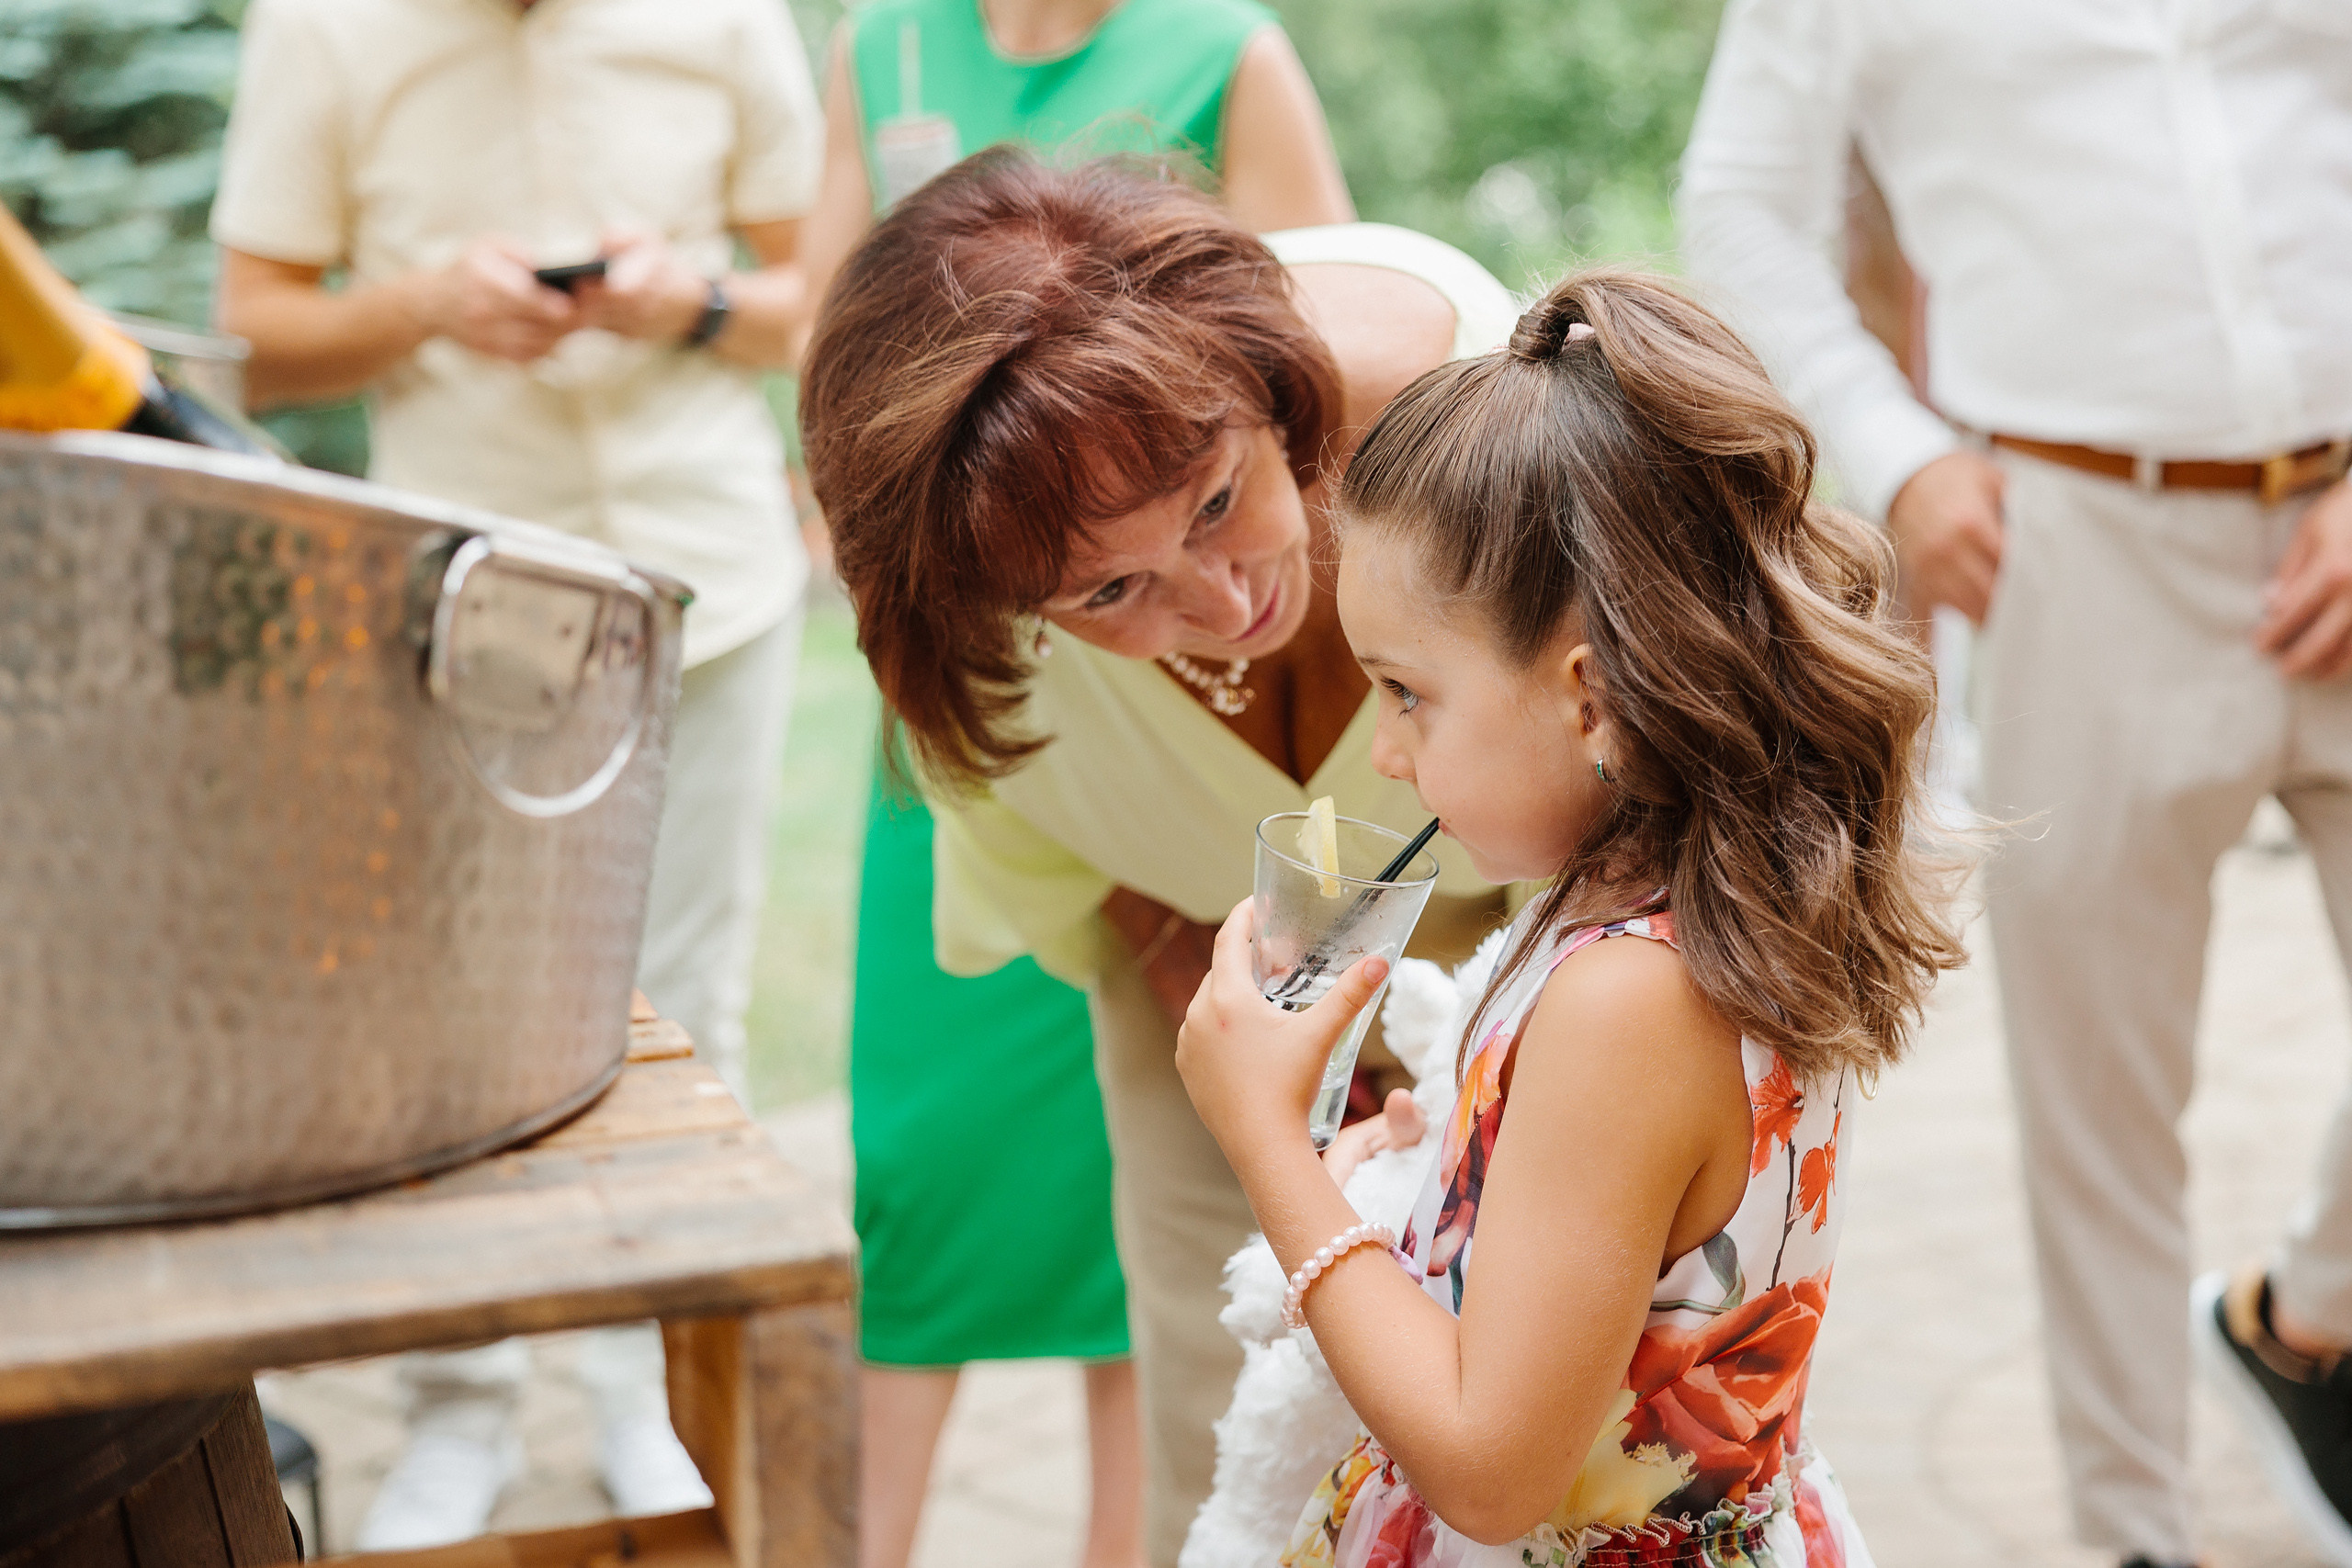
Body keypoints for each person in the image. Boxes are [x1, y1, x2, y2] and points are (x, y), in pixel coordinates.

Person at [1676, 6, 2352, 1563]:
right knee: (2103, 1108)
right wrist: (1894, 450)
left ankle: (2302, 1315)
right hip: (2076, 546)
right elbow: (1742, 199)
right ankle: (2138, 1536)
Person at [1174, 268, 1964, 1567]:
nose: (1382, 751)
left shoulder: (1630, 1000)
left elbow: (1493, 1470)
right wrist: (1444, 1186)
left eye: (1407, 692)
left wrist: (1273, 1147)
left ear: (1588, 699)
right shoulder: (1646, 908)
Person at [800, 149, 1519, 1564]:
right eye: (1108, 591)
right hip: (1211, 955)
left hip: (1567, 931)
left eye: (1214, 499)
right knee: (1232, 1394)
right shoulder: (971, 649)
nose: (1226, 596)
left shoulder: (1463, 411)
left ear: (1264, 388)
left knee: (1553, 1381)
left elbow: (1681, 791)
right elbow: (1088, 868)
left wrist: (1483, 1061)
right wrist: (1241, 1011)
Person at [207, 0, 821, 1543]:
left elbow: (813, 304)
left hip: (712, 589)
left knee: (692, 1005)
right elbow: (247, 339)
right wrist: (423, 304)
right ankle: (458, 1410)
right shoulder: (322, 30)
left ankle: (642, 1397)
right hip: (461, 596)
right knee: (448, 1028)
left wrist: (687, 303)